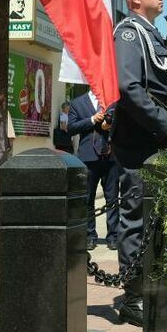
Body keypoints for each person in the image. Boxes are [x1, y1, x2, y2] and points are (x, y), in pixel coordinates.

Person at [111, 0, 167, 326]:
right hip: (139, 143)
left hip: (158, 142)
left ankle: (155, 288)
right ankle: (132, 295)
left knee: (157, 219)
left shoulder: (157, 36)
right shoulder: (129, 33)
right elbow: (130, 90)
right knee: (136, 220)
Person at [67, 91, 120, 250]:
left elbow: (124, 124)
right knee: (87, 199)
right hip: (88, 157)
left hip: (111, 157)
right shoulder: (77, 103)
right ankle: (90, 235)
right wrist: (91, 120)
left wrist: (110, 125)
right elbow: (71, 128)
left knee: (112, 199)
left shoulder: (113, 100)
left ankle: (113, 236)